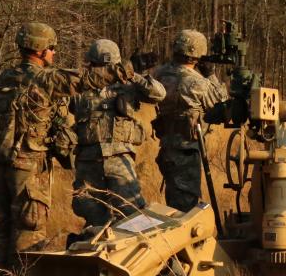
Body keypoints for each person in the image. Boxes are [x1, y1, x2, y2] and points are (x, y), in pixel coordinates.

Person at [0, 22, 106, 270]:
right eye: (51, 48)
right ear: (39, 51)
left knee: (0, 227)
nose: (54, 53)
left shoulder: (3, 79)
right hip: (27, 168)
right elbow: (86, 80)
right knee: (30, 227)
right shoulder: (44, 79)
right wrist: (127, 69)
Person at [70, 39, 164, 229]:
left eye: (108, 67)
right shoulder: (82, 85)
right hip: (89, 160)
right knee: (91, 211)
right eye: (99, 66)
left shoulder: (129, 84)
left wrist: (135, 75)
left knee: (130, 212)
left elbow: (158, 94)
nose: (103, 71)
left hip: (119, 158)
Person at [152, 30, 224, 211]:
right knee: (187, 207)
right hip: (187, 150)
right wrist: (211, 75)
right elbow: (221, 102)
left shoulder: (159, 75)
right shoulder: (197, 82)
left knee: (173, 200)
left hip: (167, 148)